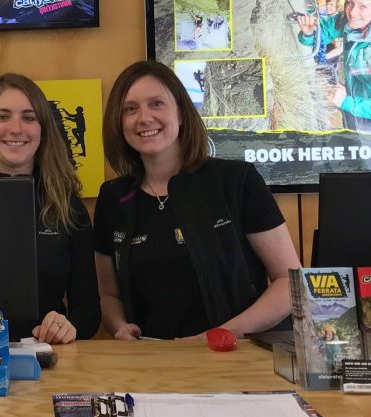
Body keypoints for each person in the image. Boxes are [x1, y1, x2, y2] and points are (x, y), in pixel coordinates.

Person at [94, 60, 300, 340]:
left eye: (156, 104)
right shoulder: (112, 198)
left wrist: (221, 334)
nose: (143, 118)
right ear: (119, 122)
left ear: (181, 113)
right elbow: (108, 294)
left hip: (235, 358)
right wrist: (119, 326)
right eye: (130, 109)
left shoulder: (237, 181)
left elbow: (289, 282)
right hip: (149, 365)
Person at [0, 73, 99, 344]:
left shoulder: (68, 206)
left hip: (45, 358)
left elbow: (88, 314)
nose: (16, 128)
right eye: (2, 116)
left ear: (42, 129)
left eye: (29, 117)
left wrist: (68, 327)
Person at [296, 0, 371, 132]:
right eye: (350, 3)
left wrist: (346, 101)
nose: (352, 12)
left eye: (363, 6)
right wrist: (309, 33)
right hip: (351, 109)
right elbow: (324, 30)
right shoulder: (349, 22)